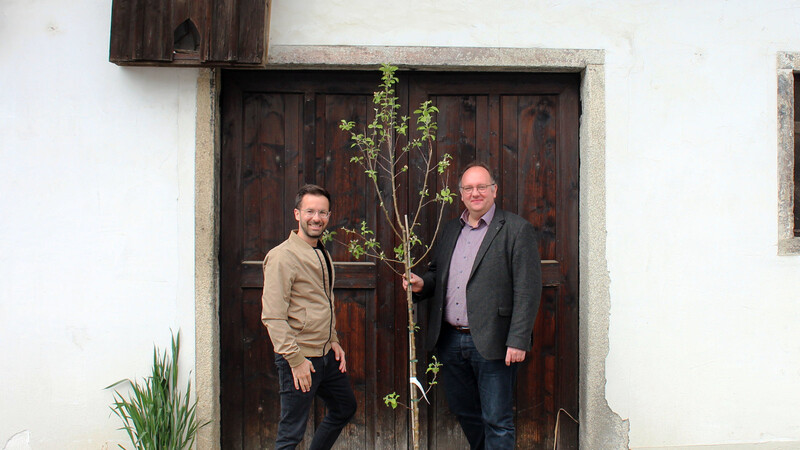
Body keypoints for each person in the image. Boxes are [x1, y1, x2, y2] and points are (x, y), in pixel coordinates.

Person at [404, 162, 542, 449]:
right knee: (465, 412)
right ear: (461, 194)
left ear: (494, 190)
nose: (475, 193)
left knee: (497, 419)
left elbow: (527, 290)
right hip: (450, 341)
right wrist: (422, 285)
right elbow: (437, 273)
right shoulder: (452, 229)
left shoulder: (516, 229)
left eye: (481, 187)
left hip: (495, 342)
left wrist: (518, 340)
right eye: (468, 188)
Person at [261, 184, 357, 450]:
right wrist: (295, 360)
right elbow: (273, 316)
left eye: (323, 212)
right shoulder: (282, 257)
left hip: (325, 354)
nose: (317, 218)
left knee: (344, 407)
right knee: (291, 434)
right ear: (297, 214)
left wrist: (333, 339)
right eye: (310, 211)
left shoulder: (320, 251)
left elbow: (322, 301)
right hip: (301, 358)